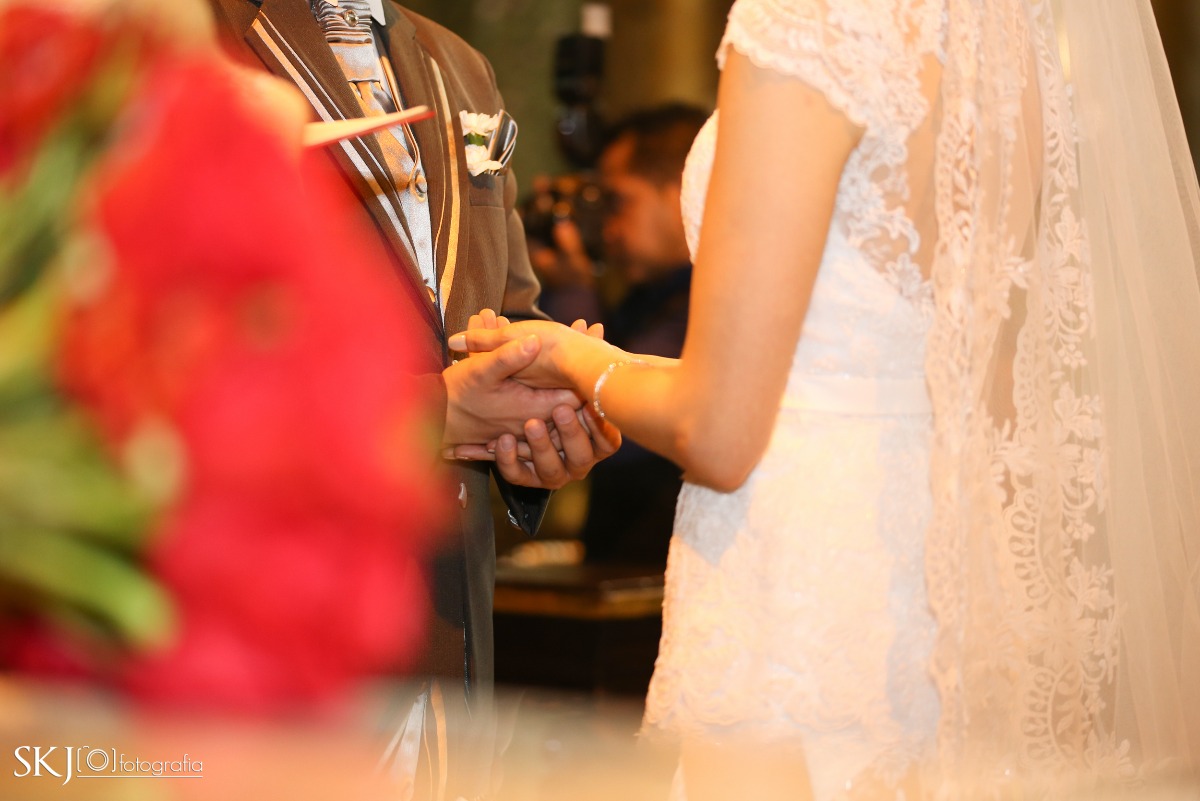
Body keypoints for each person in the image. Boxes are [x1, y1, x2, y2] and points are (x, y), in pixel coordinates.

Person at [451, 0, 1200, 798]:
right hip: (954, 549)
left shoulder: (808, 19)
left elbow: (720, 432)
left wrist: (570, 355)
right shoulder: (1011, 37)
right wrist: (611, 364)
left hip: (808, 571)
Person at [203, 0, 619, 797]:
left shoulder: (458, 62)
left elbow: (505, 305)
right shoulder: (189, 36)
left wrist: (543, 414)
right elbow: (173, 351)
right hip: (268, 618)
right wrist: (432, 410)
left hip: (444, 615)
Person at [535, 104, 708, 566]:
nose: (608, 229)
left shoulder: (710, 299)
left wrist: (572, 290)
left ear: (681, 192)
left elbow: (619, 427)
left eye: (618, 200)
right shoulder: (646, 294)